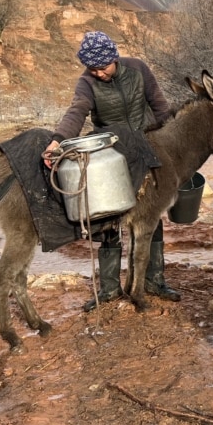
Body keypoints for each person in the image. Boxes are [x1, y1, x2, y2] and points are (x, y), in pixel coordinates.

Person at [43, 31, 181, 311]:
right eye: (92, 68)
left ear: (114, 58)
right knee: (109, 218)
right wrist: (57, 140)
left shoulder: (138, 69)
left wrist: (171, 144)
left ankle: (154, 280)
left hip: (147, 147)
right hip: (113, 153)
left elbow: (160, 106)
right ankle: (108, 288)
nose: (98, 73)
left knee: (151, 216)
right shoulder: (86, 83)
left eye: (102, 67)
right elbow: (77, 111)